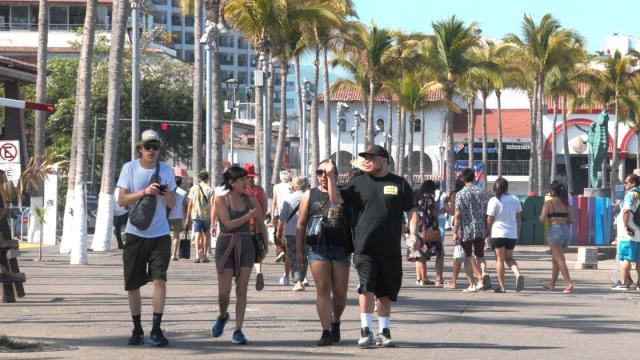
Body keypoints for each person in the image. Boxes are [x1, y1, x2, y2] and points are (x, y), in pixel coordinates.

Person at [326, 145, 419, 348]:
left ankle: (384, 332)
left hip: (390, 249)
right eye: (365, 157)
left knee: (385, 291)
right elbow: (336, 199)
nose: (367, 160)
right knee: (367, 286)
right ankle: (366, 331)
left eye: (371, 157)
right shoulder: (357, 183)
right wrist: (332, 178)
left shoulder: (399, 184)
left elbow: (411, 209)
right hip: (364, 247)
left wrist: (413, 233)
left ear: (384, 160)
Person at [116, 129, 176, 347]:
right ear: (140, 148)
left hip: (160, 235)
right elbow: (122, 200)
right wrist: (144, 192)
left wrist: (165, 192)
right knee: (133, 283)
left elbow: (171, 204)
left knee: (160, 280)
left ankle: (157, 329)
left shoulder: (167, 170)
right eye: (147, 146)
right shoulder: (129, 168)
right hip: (135, 233)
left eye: (155, 147)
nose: (151, 150)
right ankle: (137, 328)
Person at [211, 165, 268, 344]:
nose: (247, 181)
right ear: (231, 182)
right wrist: (246, 217)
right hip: (225, 244)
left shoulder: (249, 198)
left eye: (247, 178)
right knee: (224, 292)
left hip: (246, 244)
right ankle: (222, 316)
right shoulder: (220, 199)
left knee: (242, 289)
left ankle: (238, 330)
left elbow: (260, 218)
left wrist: (264, 243)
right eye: (243, 179)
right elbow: (227, 224)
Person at [295, 162, 352, 346]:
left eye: (327, 173)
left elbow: (337, 203)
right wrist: (298, 252)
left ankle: (336, 321)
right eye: (319, 172)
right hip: (317, 248)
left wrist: (331, 180)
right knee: (323, 288)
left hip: (340, 248)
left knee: (340, 293)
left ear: (335, 174)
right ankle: (326, 330)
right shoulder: (309, 195)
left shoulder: (344, 192)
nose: (322, 176)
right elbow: (301, 224)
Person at [454, 168, 491, 292]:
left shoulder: (460, 194)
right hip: (480, 228)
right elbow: (487, 213)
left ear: (463, 179)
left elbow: (458, 215)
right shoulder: (482, 192)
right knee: (480, 255)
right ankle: (484, 272)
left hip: (467, 229)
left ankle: (472, 285)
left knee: (468, 258)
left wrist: (455, 232)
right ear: (474, 178)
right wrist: (487, 229)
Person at [486, 178, 524, 293]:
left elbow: (490, 219)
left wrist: (488, 233)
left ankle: (502, 287)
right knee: (509, 258)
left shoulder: (493, 200)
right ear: (507, 187)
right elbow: (518, 218)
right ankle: (517, 274)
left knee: (500, 260)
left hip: (498, 233)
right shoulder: (515, 199)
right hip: (511, 234)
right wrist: (517, 232)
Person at [539, 181, 574, 293]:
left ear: (553, 191)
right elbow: (572, 220)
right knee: (555, 260)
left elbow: (542, 219)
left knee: (560, 259)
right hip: (566, 230)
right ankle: (552, 284)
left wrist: (541, 216)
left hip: (555, 230)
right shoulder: (567, 204)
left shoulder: (549, 203)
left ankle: (569, 284)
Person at [277, 176, 307, 291]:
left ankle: (298, 281)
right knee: (304, 257)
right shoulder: (310, 197)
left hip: (291, 233)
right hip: (307, 232)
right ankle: (302, 279)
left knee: (294, 257)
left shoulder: (288, 199)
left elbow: (282, 218)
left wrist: (279, 232)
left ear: (295, 186)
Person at [611, 174, 640, 290]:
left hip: (629, 232)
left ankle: (623, 283)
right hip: (638, 231)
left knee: (626, 257)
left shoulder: (630, 195)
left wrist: (627, 226)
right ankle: (638, 283)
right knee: (638, 259)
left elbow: (626, 211)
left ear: (633, 183)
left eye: (627, 182)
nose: (625, 185)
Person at [416, 180, 445, 286]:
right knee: (440, 253)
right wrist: (443, 210)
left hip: (419, 229)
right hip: (430, 229)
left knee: (421, 255)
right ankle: (439, 278)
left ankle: (423, 278)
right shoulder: (428, 197)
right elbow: (433, 212)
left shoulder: (418, 197)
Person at [243, 164, 267, 291]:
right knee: (255, 251)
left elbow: (263, 208)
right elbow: (264, 208)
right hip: (247, 226)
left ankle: (258, 273)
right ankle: (257, 273)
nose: (251, 179)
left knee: (256, 251)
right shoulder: (257, 190)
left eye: (252, 177)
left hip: (253, 226)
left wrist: (261, 223)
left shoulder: (258, 190)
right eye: (248, 177)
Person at [272, 170, 293, 284]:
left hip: (279, 214)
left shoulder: (276, 187)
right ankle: (285, 251)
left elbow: (274, 202)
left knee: (279, 234)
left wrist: (272, 214)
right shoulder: (291, 186)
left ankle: (281, 250)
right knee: (289, 236)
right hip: (291, 215)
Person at [186, 170, 212, 263]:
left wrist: (187, 218)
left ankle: (197, 255)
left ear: (200, 178)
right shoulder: (209, 189)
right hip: (206, 215)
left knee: (197, 234)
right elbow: (211, 204)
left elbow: (190, 204)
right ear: (207, 178)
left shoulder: (194, 188)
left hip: (196, 214)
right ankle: (204, 256)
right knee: (206, 235)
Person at [445, 175, 466, 289]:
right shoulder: (470, 193)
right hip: (473, 225)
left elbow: (453, 212)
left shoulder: (455, 194)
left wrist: (445, 206)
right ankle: (453, 280)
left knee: (462, 254)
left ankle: (481, 276)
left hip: (460, 226)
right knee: (462, 254)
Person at [168, 176, 187, 260]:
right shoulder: (183, 192)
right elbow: (184, 206)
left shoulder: (169, 191)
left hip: (168, 215)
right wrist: (185, 217)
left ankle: (166, 253)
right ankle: (174, 255)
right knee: (176, 236)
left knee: (165, 236)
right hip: (178, 216)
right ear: (181, 183)